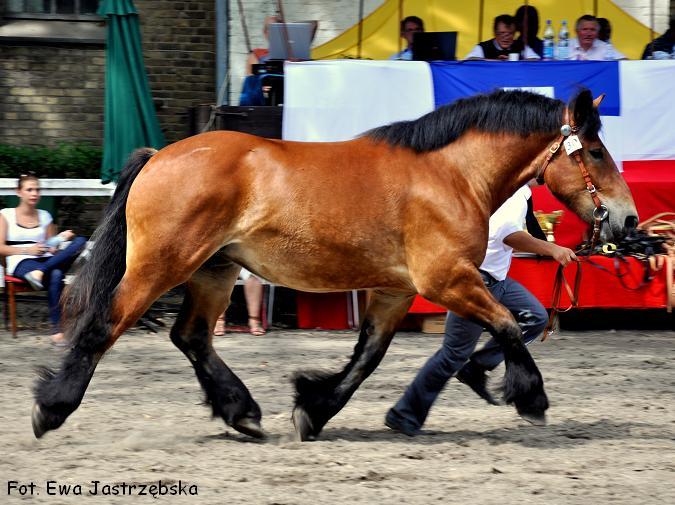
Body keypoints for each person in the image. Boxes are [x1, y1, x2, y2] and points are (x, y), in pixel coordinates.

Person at [385, 183, 578, 436]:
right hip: (475, 282)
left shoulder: (524, 192)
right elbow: (506, 234)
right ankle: (404, 413)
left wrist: (560, 250)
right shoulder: (508, 190)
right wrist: (553, 249)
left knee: (535, 318)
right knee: (453, 353)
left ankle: (477, 366)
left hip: (497, 280)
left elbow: (530, 229)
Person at [0, 173, 86, 346]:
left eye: (37, 190)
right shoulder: (5, 215)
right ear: (19, 192)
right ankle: (57, 331)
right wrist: (28, 249)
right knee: (55, 275)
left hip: (44, 259)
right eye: (29, 189)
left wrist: (59, 239)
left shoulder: (45, 216)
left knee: (80, 241)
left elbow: (50, 247)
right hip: (20, 261)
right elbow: (0, 247)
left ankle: (41, 272)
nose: (34, 193)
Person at [214, 268, 266, 336]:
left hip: (243, 261)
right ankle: (218, 320)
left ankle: (254, 320)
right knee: (218, 276)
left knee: (253, 276)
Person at [465, 14, 540, 60]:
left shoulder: (521, 46)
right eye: (502, 33)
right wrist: (495, 61)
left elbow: (535, 60)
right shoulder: (483, 47)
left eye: (510, 34)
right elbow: (469, 60)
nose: (506, 37)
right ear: (494, 33)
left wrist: (514, 61)